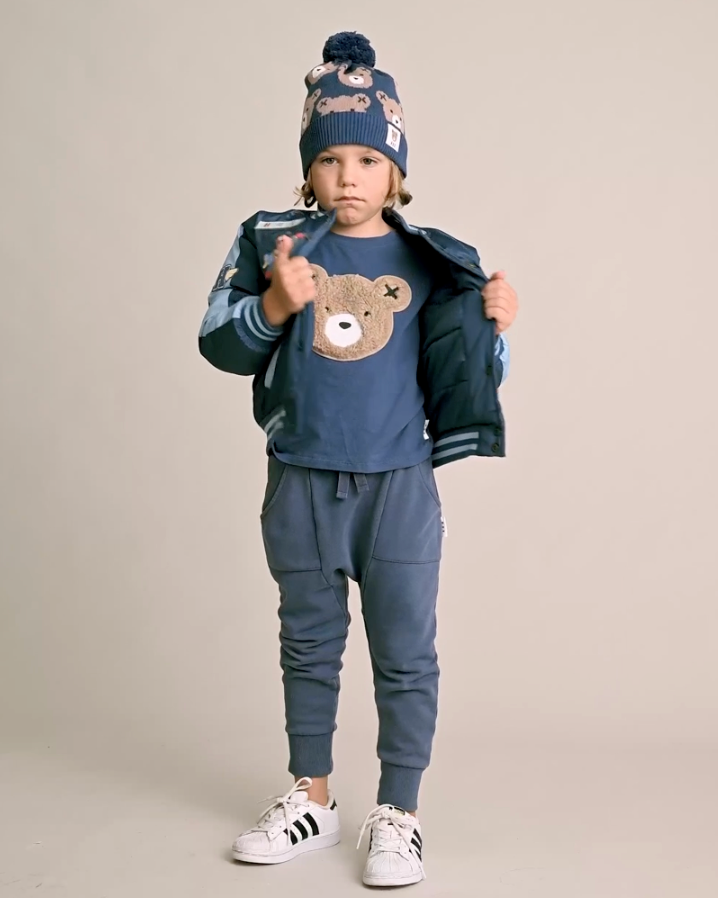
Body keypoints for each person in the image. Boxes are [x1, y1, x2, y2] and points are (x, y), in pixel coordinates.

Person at [198, 30, 519, 889]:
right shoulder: (275, 246)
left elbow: (473, 376)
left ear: (396, 173)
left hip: (399, 491)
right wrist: (272, 301)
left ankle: (398, 814)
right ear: (307, 169)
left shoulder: (433, 262)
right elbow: (216, 344)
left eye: (368, 161)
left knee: (405, 652)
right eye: (330, 158)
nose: (348, 176)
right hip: (300, 479)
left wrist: (494, 325)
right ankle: (312, 796)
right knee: (308, 644)